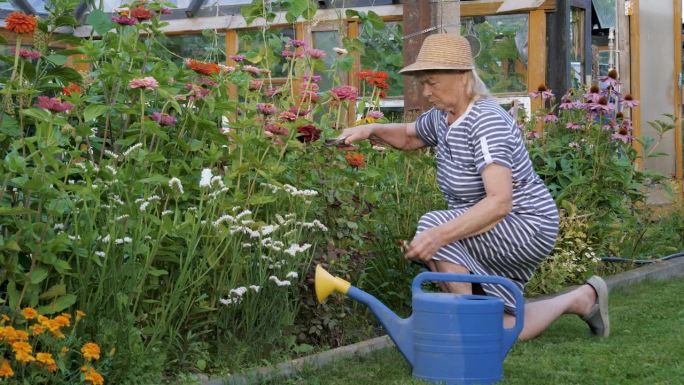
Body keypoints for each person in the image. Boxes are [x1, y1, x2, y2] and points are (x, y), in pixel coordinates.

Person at [340, 33, 609, 340]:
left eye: (432, 82)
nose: (425, 91)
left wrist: (436, 236)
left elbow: (499, 202)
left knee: (434, 227)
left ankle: (465, 330)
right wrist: (370, 129)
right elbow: (409, 136)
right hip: (492, 226)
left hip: (525, 223)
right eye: (423, 83)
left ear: (462, 76)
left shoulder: (485, 121)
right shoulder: (445, 117)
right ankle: (582, 298)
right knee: (501, 327)